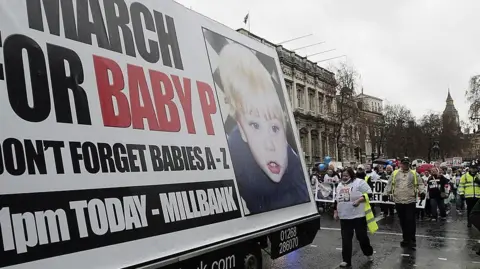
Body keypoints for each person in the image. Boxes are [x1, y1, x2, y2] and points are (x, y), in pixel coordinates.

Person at [218, 43, 309, 215]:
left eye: (274, 128)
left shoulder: (293, 162)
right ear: (242, 130)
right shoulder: (236, 154)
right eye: (255, 126)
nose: (270, 145)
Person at [334, 168, 374, 267]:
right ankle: (346, 260)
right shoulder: (339, 185)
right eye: (343, 175)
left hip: (358, 216)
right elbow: (336, 199)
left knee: (362, 237)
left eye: (347, 175)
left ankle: (368, 253)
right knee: (346, 239)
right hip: (344, 216)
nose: (344, 177)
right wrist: (335, 211)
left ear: (352, 175)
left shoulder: (359, 182)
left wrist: (360, 200)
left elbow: (370, 194)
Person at [383, 158, 425, 249]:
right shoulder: (395, 173)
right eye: (404, 164)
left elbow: (420, 184)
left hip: (410, 200)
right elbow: (389, 184)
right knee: (402, 221)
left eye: (407, 164)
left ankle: (412, 240)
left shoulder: (414, 174)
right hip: (398, 200)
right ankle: (405, 238)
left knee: (410, 220)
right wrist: (385, 193)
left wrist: (422, 192)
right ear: (400, 164)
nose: (405, 165)